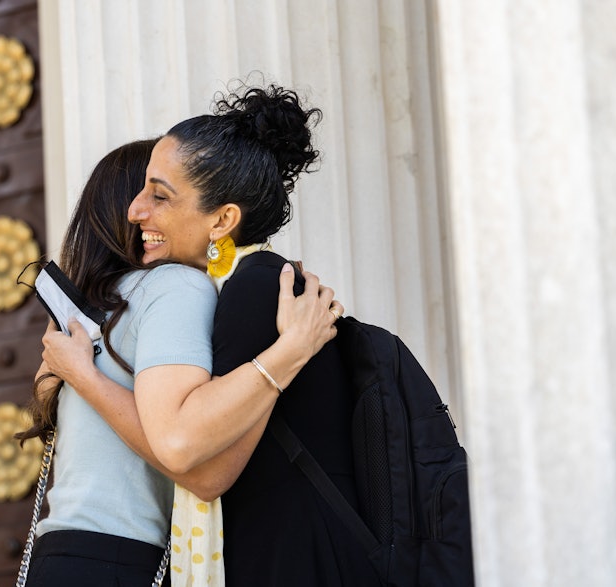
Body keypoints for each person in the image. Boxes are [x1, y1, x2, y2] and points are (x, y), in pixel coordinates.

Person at [41, 83, 382, 586]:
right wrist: (290, 350)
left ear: (223, 219)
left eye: (158, 195)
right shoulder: (193, 288)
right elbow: (197, 462)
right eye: (139, 191)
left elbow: (192, 460)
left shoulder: (181, 295)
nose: (139, 211)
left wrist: (81, 374)